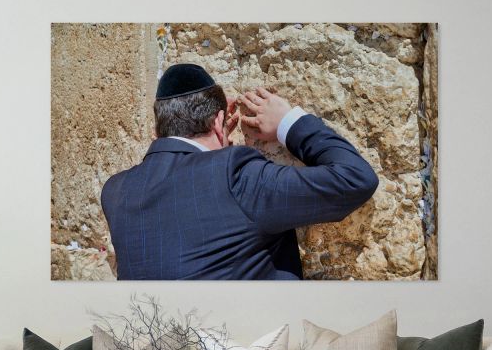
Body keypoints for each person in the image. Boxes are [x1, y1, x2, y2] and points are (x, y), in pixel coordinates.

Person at [100, 63, 378, 280]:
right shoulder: (234, 175)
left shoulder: (116, 193)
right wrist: (288, 124)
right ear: (220, 122)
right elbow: (354, 178)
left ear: (157, 131)